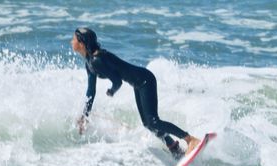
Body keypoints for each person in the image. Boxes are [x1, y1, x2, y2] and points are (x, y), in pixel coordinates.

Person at [71, 27, 200, 158]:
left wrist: (111, 91)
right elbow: (91, 91)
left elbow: (117, 81)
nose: (72, 42)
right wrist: (85, 116)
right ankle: (173, 147)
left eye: (74, 39)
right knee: (148, 124)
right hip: (138, 84)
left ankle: (190, 139)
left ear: (82, 43)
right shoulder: (89, 63)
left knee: (153, 121)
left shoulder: (97, 60)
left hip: (145, 80)